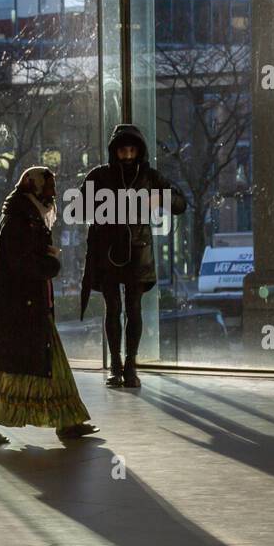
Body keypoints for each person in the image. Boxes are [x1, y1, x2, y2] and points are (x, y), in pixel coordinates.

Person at [0, 166, 98, 445]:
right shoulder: (19, 219)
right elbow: (21, 262)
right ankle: (65, 420)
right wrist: (50, 262)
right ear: (32, 187)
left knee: (6, 363)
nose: (53, 194)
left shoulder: (26, 215)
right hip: (19, 307)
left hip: (21, 306)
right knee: (24, 362)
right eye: (48, 188)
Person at [78, 124, 187, 388]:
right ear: (115, 151)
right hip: (110, 250)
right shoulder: (99, 176)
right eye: (123, 150)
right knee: (114, 308)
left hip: (135, 251)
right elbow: (79, 208)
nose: (127, 155)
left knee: (133, 309)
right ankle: (117, 364)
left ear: (138, 151)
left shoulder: (147, 176)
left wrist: (157, 198)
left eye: (131, 150)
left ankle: (129, 364)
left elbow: (180, 204)